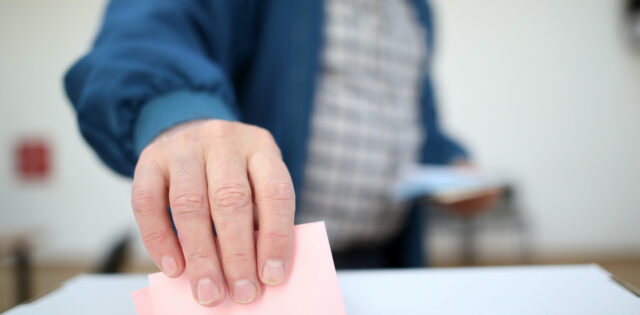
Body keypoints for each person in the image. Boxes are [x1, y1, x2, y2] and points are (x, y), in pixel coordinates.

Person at [65, 0, 497, 307]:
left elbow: (413, 118)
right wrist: (183, 117)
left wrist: (452, 166)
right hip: (265, 276)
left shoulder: (415, 11)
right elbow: (144, 34)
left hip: (389, 260)